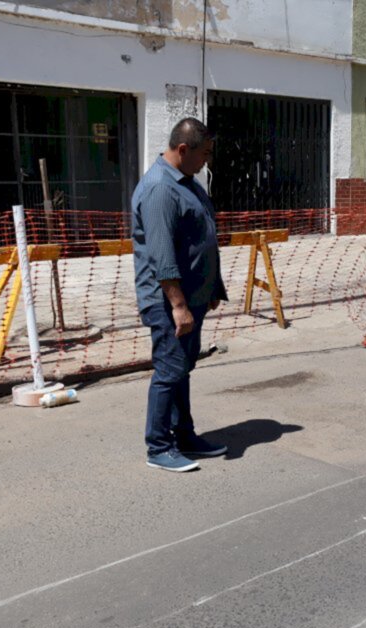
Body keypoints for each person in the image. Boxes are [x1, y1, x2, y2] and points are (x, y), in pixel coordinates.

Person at [132, 117, 228, 472]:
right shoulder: (160, 187)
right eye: (204, 154)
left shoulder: (188, 182)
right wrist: (178, 305)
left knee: (181, 369)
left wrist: (212, 287)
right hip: (170, 302)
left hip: (192, 298)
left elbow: (203, 236)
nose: (207, 161)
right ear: (183, 149)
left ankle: (184, 436)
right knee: (169, 371)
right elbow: (162, 255)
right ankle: (158, 446)